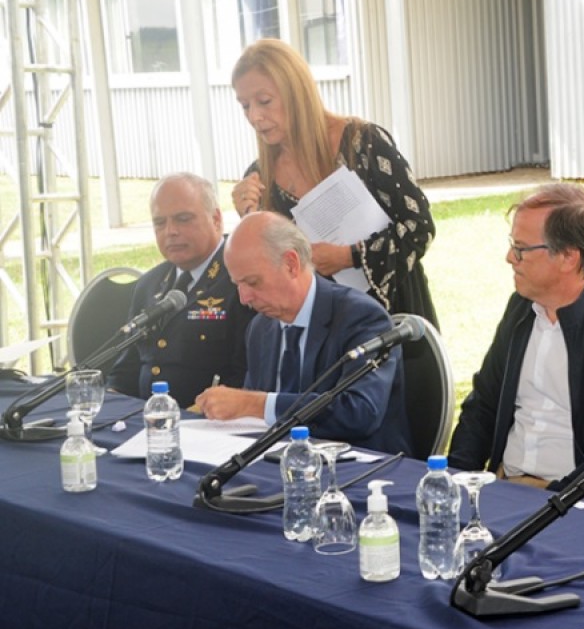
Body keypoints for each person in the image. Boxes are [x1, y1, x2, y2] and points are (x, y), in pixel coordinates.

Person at [447, 184, 584, 491]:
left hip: (572, 503)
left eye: (521, 248)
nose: (510, 257)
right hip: (505, 487)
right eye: (512, 244)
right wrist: (455, 481)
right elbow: (483, 405)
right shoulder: (521, 308)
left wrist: (550, 497)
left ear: (568, 257)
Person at [229, 38, 438, 328]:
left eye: (264, 101)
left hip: (392, 320)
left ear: (296, 92)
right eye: (244, 106)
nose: (254, 116)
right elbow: (270, 273)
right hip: (320, 334)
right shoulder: (259, 177)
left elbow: (419, 229)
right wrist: (250, 219)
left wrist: (350, 256)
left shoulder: (363, 143)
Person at [195, 212, 406, 453]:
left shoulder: (362, 318)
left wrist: (256, 403)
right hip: (278, 467)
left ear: (291, 264)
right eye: (237, 285)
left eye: (252, 282)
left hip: (360, 469)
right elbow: (253, 424)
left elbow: (359, 412)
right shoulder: (260, 328)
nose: (244, 299)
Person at [110, 173, 254, 409]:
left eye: (183, 219)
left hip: (210, 424)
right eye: (159, 223)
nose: (170, 231)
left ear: (216, 218)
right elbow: (126, 370)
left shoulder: (239, 278)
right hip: (144, 421)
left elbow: (247, 373)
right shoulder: (150, 283)